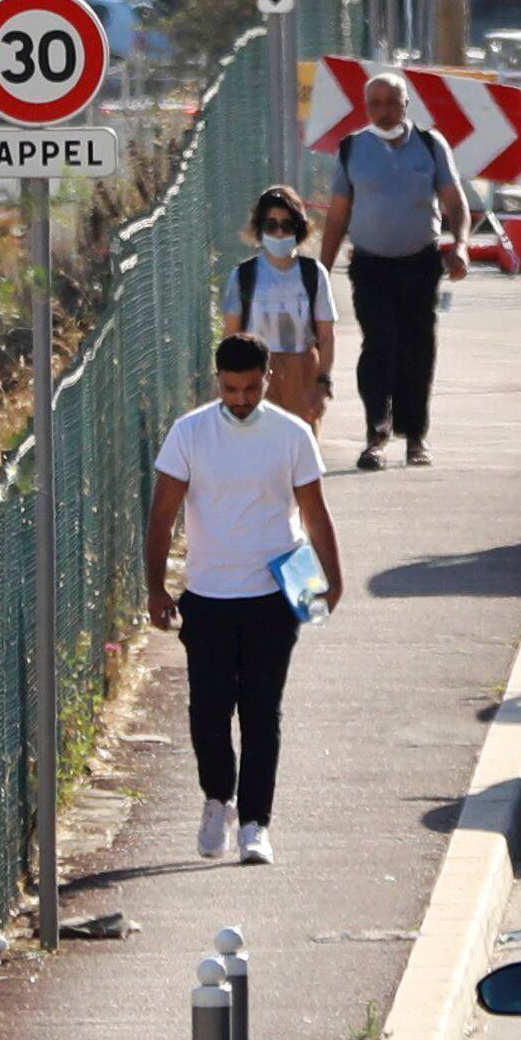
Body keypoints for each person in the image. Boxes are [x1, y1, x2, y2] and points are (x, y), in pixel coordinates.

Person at [145, 332, 346, 864]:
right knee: (208, 711)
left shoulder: (292, 435)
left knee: (262, 711)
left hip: (274, 595)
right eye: (231, 389)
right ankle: (219, 799)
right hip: (207, 597)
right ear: (218, 381)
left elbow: (314, 513)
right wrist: (155, 587)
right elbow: (162, 514)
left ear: (267, 379)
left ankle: (256, 824)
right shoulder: (189, 433)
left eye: (251, 388)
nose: (240, 399)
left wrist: (334, 578)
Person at [321, 75, 464, 471]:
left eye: (391, 102)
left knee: (417, 349)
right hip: (371, 265)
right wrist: (320, 272)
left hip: (420, 262)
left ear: (405, 105)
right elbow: (337, 216)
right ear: (367, 108)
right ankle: (376, 436)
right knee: (378, 346)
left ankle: (415, 436)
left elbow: (454, 202)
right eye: (375, 104)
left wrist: (461, 245)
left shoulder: (430, 146)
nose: (384, 111)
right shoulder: (353, 149)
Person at [224, 184, 338, 425]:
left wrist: (322, 384)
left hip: (302, 370)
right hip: (254, 372)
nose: (278, 233)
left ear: (299, 229)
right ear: (259, 229)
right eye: (271, 225)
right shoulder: (244, 275)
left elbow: (326, 335)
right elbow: (230, 336)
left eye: (287, 225)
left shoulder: (313, 274)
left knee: (300, 451)